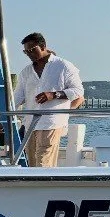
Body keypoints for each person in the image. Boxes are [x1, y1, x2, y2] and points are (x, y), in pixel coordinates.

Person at [13, 33, 83, 168]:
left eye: (32, 50)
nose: (29, 54)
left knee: (42, 163)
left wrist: (53, 95)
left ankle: (44, 188)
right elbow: (17, 98)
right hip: (30, 124)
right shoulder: (26, 72)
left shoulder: (63, 66)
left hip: (51, 121)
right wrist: (3, 117)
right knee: (33, 164)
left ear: (43, 46)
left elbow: (78, 91)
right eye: (25, 51)